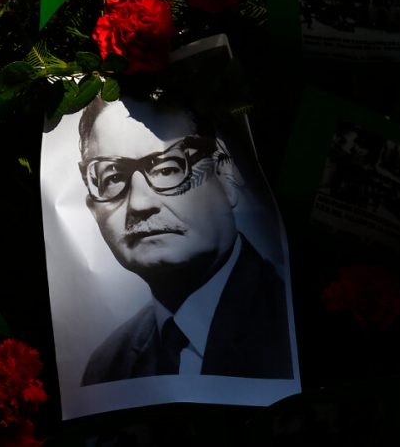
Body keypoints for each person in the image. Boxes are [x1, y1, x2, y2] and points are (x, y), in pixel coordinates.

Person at [78, 96, 293, 386]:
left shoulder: (296, 321)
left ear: (225, 176)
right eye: (114, 177)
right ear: (93, 208)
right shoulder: (107, 367)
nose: (140, 203)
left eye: (168, 168)